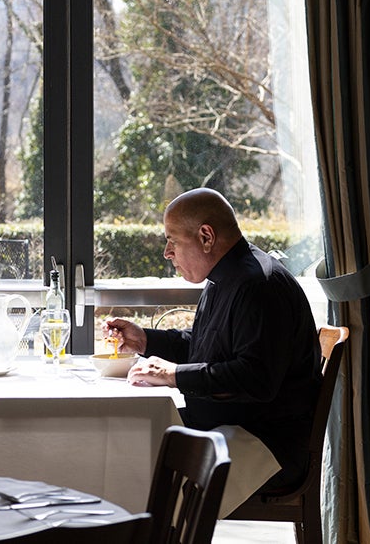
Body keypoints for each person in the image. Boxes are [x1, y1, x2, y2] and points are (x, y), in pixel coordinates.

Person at [105, 187, 322, 489]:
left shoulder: (258, 285)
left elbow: (254, 378)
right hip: (236, 424)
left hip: (266, 444)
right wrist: (144, 340)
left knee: (128, 452)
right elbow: (207, 344)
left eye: (172, 240)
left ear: (206, 237)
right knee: (129, 431)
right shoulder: (230, 275)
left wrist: (173, 375)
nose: (167, 253)